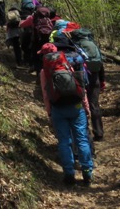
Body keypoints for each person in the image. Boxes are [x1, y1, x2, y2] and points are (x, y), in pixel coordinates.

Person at [39, 42, 94, 187]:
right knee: (81, 138)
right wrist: (86, 106)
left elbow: (46, 94)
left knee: (64, 141)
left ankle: (69, 174)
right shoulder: (68, 64)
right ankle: (87, 171)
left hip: (58, 108)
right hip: (76, 107)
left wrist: (50, 112)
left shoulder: (45, 72)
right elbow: (81, 87)